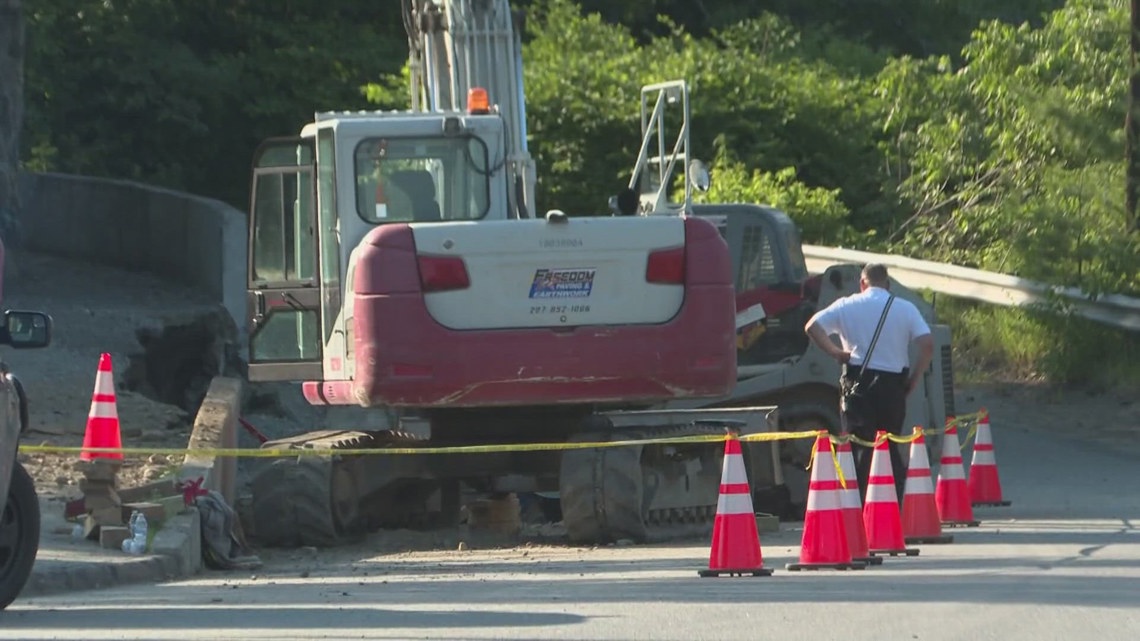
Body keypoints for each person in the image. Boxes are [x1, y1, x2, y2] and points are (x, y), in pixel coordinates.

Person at [803, 263, 934, 502]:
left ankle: (859, 506)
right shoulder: (905, 308)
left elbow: (812, 327)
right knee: (890, 443)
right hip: (893, 385)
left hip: (857, 384)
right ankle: (895, 505)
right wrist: (914, 379)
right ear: (888, 284)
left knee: (859, 445)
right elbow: (927, 344)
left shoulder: (847, 305)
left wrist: (835, 352)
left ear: (862, 283)